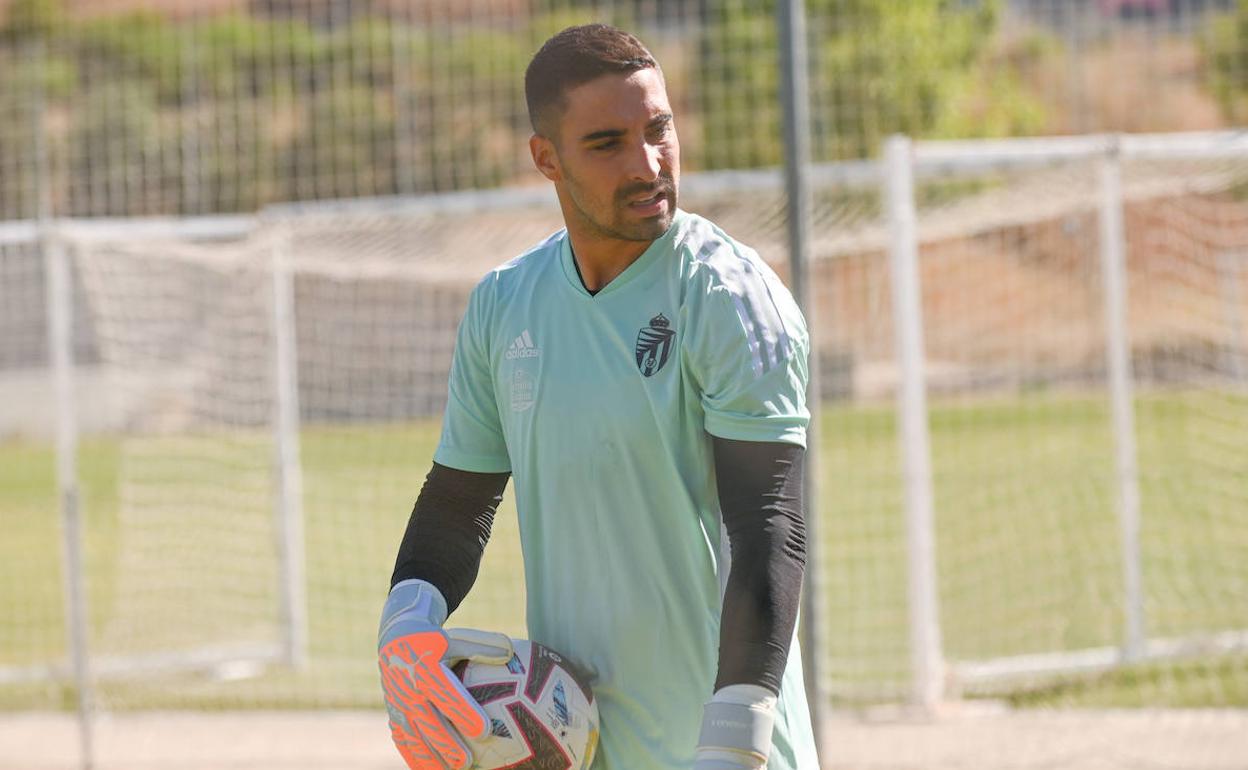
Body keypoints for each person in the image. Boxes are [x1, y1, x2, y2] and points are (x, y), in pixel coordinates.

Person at [377, 23, 819, 770]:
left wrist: (734, 740)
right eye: (608, 144)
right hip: (582, 746)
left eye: (660, 130)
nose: (648, 164)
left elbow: (770, 526)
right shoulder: (505, 305)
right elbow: (459, 502)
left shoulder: (728, 299)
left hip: (722, 750)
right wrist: (404, 630)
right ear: (545, 159)